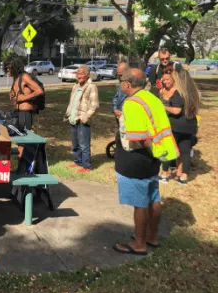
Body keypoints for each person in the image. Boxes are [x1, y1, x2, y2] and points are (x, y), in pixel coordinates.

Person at [113, 68, 178, 256]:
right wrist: (157, 153)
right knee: (153, 198)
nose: (120, 83)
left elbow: (139, 138)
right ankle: (151, 237)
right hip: (154, 158)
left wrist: (152, 149)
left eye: (121, 81)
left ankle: (139, 243)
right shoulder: (153, 98)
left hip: (137, 160)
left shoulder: (132, 103)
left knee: (140, 202)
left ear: (127, 84)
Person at [159, 66, 201, 185]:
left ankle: (164, 174)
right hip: (189, 125)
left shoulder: (178, 93)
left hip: (176, 126)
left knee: (168, 149)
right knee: (185, 152)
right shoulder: (192, 92)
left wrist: (163, 107)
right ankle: (183, 177)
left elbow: (176, 111)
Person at [64, 65, 99, 173]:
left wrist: (85, 117)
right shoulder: (75, 86)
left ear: (87, 75)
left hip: (83, 120)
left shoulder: (91, 86)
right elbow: (72, 102)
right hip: (74, 118)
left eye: (82, 73)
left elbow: (95, 105)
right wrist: (69, 114)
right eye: (78, 73)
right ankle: (78, 162)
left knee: (84, 145)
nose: (79, 76)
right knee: (75, 144)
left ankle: (86, 166)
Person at [5, 56, 44, 130]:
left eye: (9, 68)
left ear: (15, 67)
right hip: (17, 111)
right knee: (18, 137)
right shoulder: (16, 77)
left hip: (25, 112)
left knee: (25, 138)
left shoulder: (24, 77)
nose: (8, 70)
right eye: (6, 68)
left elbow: (39, 91)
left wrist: (23, 98)